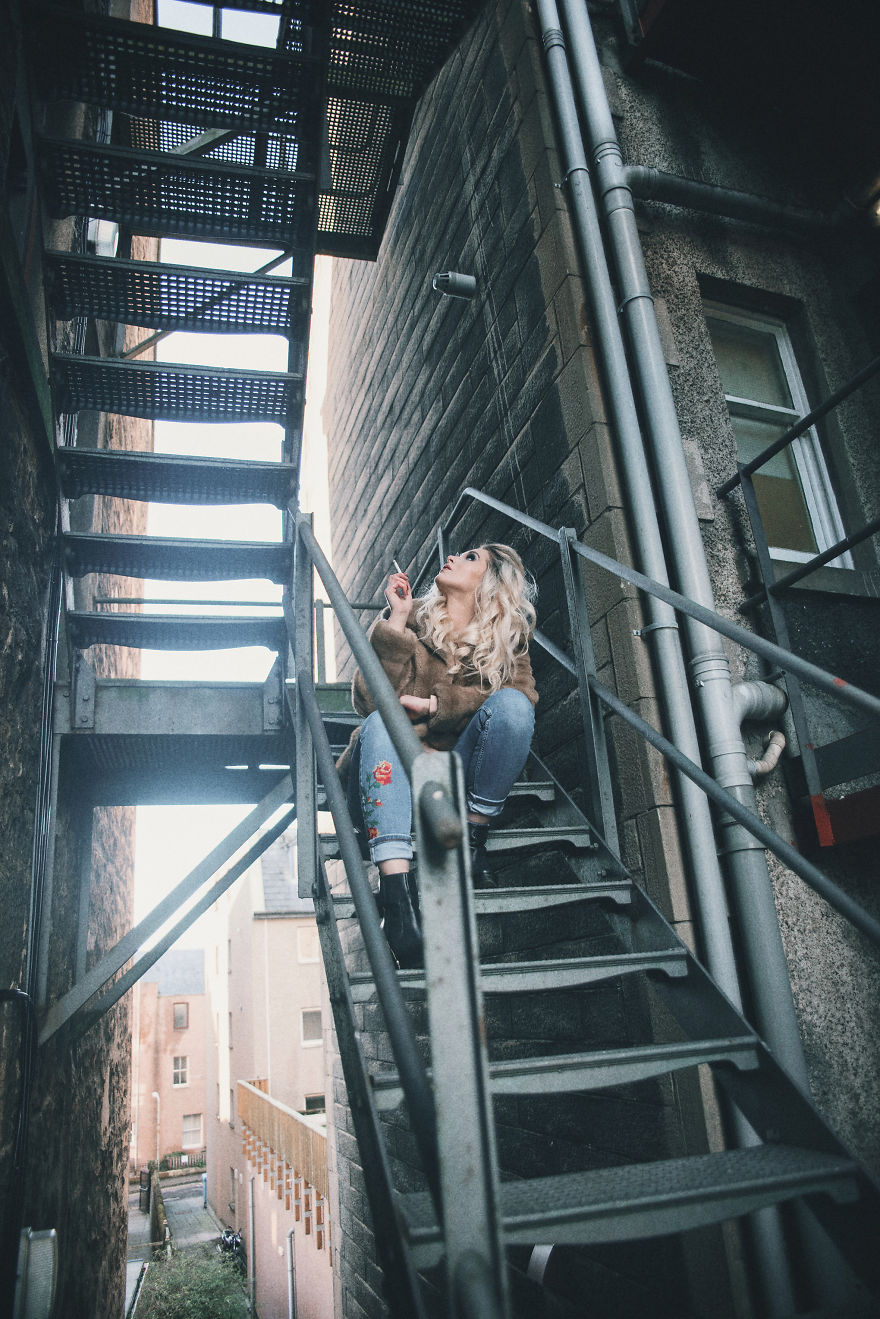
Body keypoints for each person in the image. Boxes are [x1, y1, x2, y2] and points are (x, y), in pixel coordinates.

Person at [342, 543, 538, 969]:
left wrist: (436, 706)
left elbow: (520, 698)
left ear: (490, 582)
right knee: (379, 724)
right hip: (393, 776)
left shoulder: (507, 640)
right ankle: (398, 901)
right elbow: (367, 700)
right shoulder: (409, 623)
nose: (453, 558)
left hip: (451, 779)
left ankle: (471, 842)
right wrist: (395, 618)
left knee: (513, 708)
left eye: (471, 558)